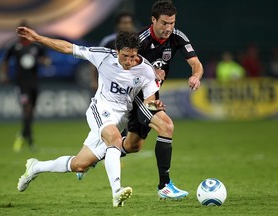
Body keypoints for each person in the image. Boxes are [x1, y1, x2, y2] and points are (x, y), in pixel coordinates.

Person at [16, 27, 162, 207]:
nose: (130, 61)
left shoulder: (146, 70)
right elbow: (69, 48)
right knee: (115, 141)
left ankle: (35, 167)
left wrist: (155, 106)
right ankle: (117, 192)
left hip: (121, 118)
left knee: (79, 165)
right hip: (100, 110)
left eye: (133, 56)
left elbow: (149, 102)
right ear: (116, 51)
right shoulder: (103, 56)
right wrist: (38, 38)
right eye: (125, 56)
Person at [77, 0, 203, 200]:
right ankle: (165, 186)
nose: (169, 28)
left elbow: (196, 63)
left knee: (133, 145)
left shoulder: (178, 37)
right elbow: (128, 64)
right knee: (166, 126)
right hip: (137, 98)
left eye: (172, 23)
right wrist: (153, 71)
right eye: (164, 23)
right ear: (154, 20)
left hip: (152, 95)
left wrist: (196, 75)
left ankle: (91, 159)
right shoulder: (141, 40)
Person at [0, 20, 50, 152]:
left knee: (31, 111)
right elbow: (4, 61)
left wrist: (44, 61)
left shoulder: (37, 47)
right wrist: (3, 75)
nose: (22, 34)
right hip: (21, 84)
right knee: (26, 109)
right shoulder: (14, 46)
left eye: (25, 31)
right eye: (20, 31)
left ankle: (22, 134)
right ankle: (30, 139)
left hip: (34, 83)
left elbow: (46, 60)